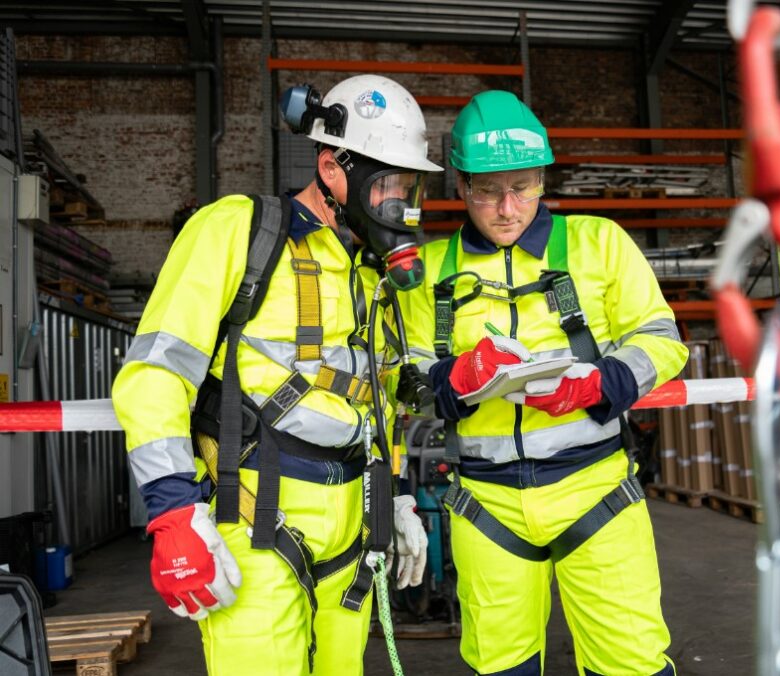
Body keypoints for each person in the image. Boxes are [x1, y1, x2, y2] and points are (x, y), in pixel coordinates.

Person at [112, 74, 437, 676]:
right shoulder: (240, 231)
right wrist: (173, 511)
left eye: (408, 187)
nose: (399, 203)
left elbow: (377, 399)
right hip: (256, 520)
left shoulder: (372, 275)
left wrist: (394, 496)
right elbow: (155, 373)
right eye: (387, 184)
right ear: (332, 167)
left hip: (353, 529)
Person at [399, 90, 688, 675]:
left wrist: (598, 383)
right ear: (462, 186)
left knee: (631, 662)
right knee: (501, 665)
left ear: (542, 178)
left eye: (524, 186)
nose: (508, 208)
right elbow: (401, 377)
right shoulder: (428, 274)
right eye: (488, 190)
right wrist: (455, 377)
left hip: (596, 490)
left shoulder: (598, 243)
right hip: (485, 503)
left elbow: (662, 339)